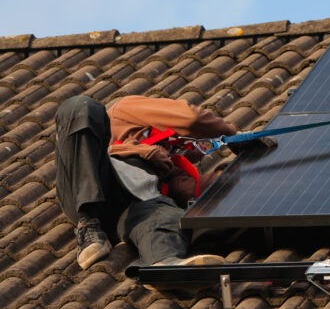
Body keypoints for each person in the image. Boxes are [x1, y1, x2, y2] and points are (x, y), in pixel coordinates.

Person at [54, 94, 237, 270]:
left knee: (164, 214)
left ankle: (166, 264)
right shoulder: (121, 110)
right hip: (93, 183)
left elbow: (189, 191)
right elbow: (190, 118)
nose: (200, 150)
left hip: (129, 208)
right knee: (81, 107)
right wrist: (233, 135)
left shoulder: (167, 167)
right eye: (201, 144)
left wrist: (233, 179)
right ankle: (87, 222)